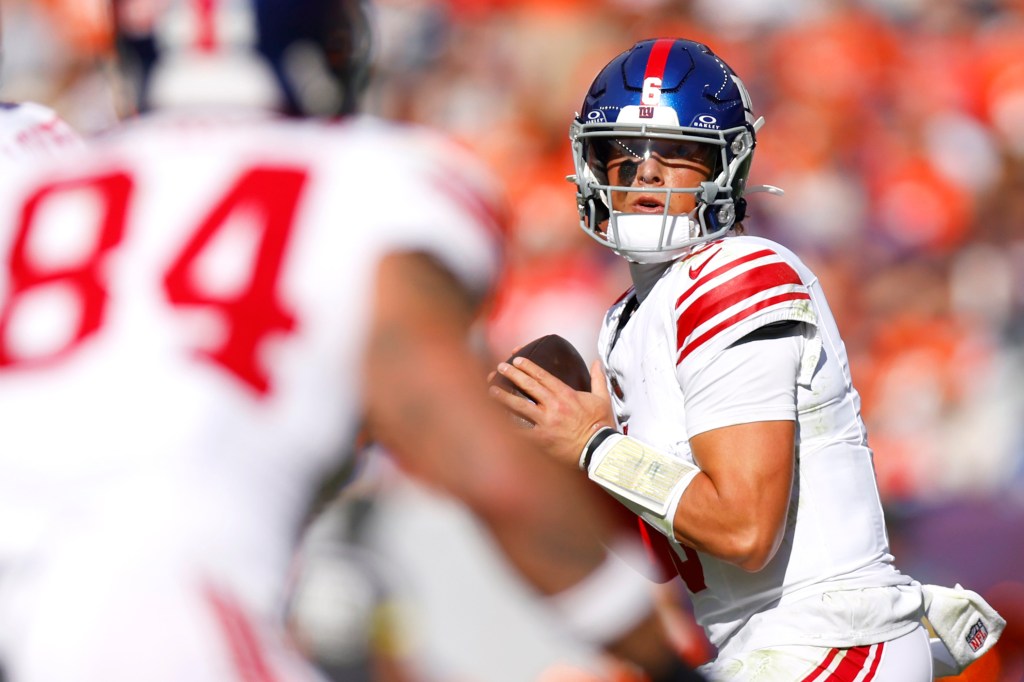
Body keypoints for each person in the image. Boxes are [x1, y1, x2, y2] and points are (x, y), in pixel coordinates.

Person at [0, 4, 697, 681]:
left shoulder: (38, 181)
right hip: (146, 611)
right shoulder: (365, 177)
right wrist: (658, 655)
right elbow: (486, 469)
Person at [491, 38, 1006, 681]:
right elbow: (666, 553)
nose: (646, 171)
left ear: (724, 167)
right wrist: (565, 464)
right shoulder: (626, 321)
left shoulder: (736, 275)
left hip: (833, 642)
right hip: (768, 646)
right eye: (623, 149)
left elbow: (744, 530)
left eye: (677, 151)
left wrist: (596, 447)